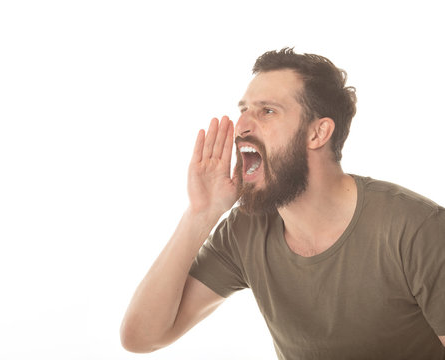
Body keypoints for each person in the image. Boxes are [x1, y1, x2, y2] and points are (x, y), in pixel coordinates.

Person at [120, 48, 445, 359]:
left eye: (267, 111)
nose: (242, 126)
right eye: (243, 109)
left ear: (318, 133)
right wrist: (200, 215)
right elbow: (141, 337)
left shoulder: (418, 230)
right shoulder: (245, 230)